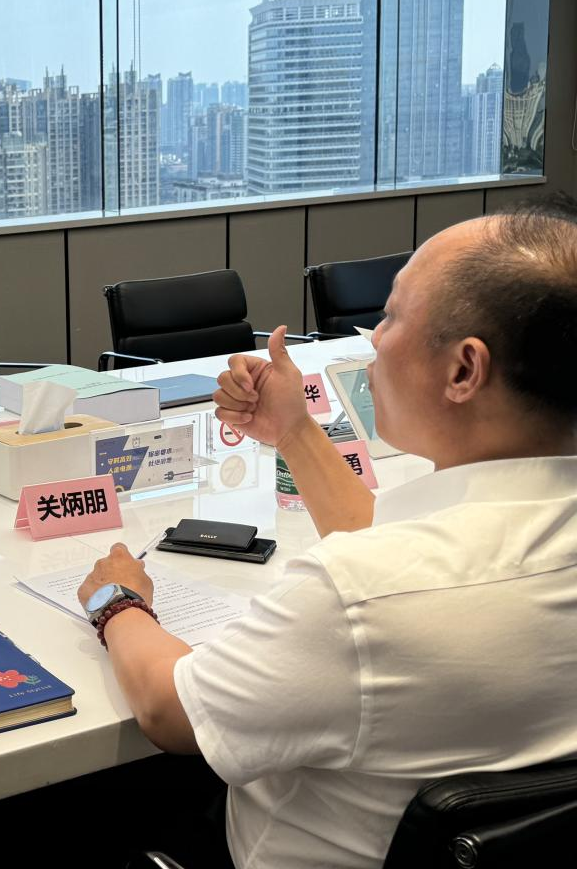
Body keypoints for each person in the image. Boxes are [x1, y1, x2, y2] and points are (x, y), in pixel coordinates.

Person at [78, 192, 577, 869]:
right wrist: (294, 431)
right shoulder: (416, 569)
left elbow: (170, 712)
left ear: (464, 369)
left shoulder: (356, 597)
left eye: (392, 316)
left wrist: (118, 600)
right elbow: (392, 555)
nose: (373, 338)